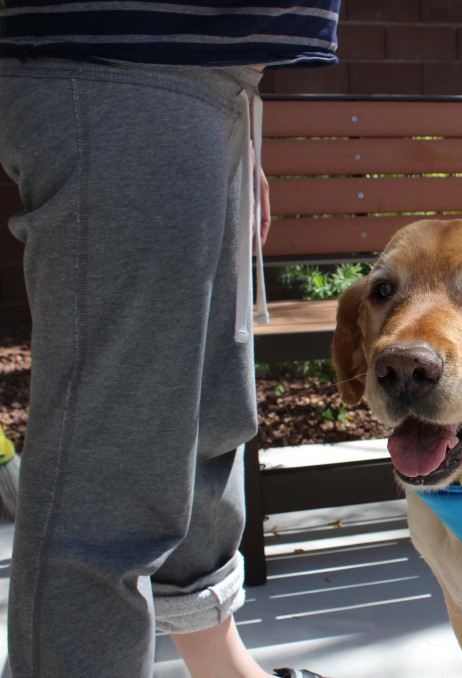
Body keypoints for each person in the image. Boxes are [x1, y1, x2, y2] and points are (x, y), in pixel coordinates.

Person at [0, 3, 340, 676]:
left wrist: (227, 116)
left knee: (209, 420)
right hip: (120, 64)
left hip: (202, 82)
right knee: (111, 473)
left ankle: (218, 664)